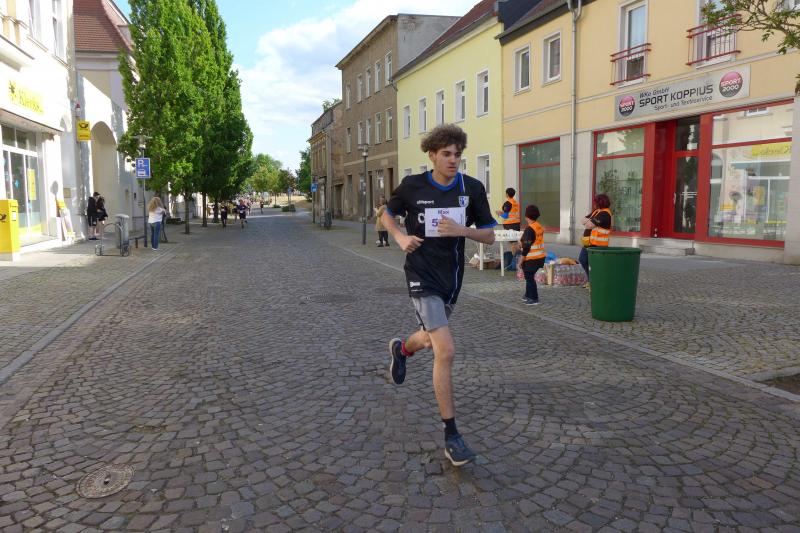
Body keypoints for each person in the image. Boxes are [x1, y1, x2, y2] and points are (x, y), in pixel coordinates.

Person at [382, 123, 496, 467]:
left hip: (451, 279)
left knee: (430, 340)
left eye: (457, 154)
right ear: (431, 155)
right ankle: (452, 435)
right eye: (446, 154)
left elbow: (490, 235)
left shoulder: (471, 189)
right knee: (445, 349)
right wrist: (400, 237)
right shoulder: (413, 186)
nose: (453, 160)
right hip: (421, 275)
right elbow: (386, 214)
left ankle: (402, 349)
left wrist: (462, 230)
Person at [579, 193, 612, 289]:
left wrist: (589, 221)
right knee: (582, 260)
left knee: (594, 265)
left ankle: (594, 283)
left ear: (600, 203)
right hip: (589, 243)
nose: (594, 204)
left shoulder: (605, 214)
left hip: (598, 244)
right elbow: (582, 220)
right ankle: (591, 280)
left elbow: (589, 225)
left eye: (595, 202)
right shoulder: (596, 212)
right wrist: (589, 221)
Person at [518, 204, 546, 305]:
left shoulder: (529, 229)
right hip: (540, 257)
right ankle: (527, 294)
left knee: (529, 277)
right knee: (529, 276)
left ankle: (534, 298)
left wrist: (521, 260)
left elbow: (526, 247)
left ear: (526, 216)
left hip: (531, 258)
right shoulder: (538, 226)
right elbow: (532, 241)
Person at [495, 188, 520, 269]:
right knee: (515, 241)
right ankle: (517, 258)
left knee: (512, 243)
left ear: (507, 194)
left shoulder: (508, 203)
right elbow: (510, 213)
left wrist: (499, 213)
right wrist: (502, 212)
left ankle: (514, 260)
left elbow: (506, 216)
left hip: (510, 225)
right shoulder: (516, 203)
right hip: (516, 223)